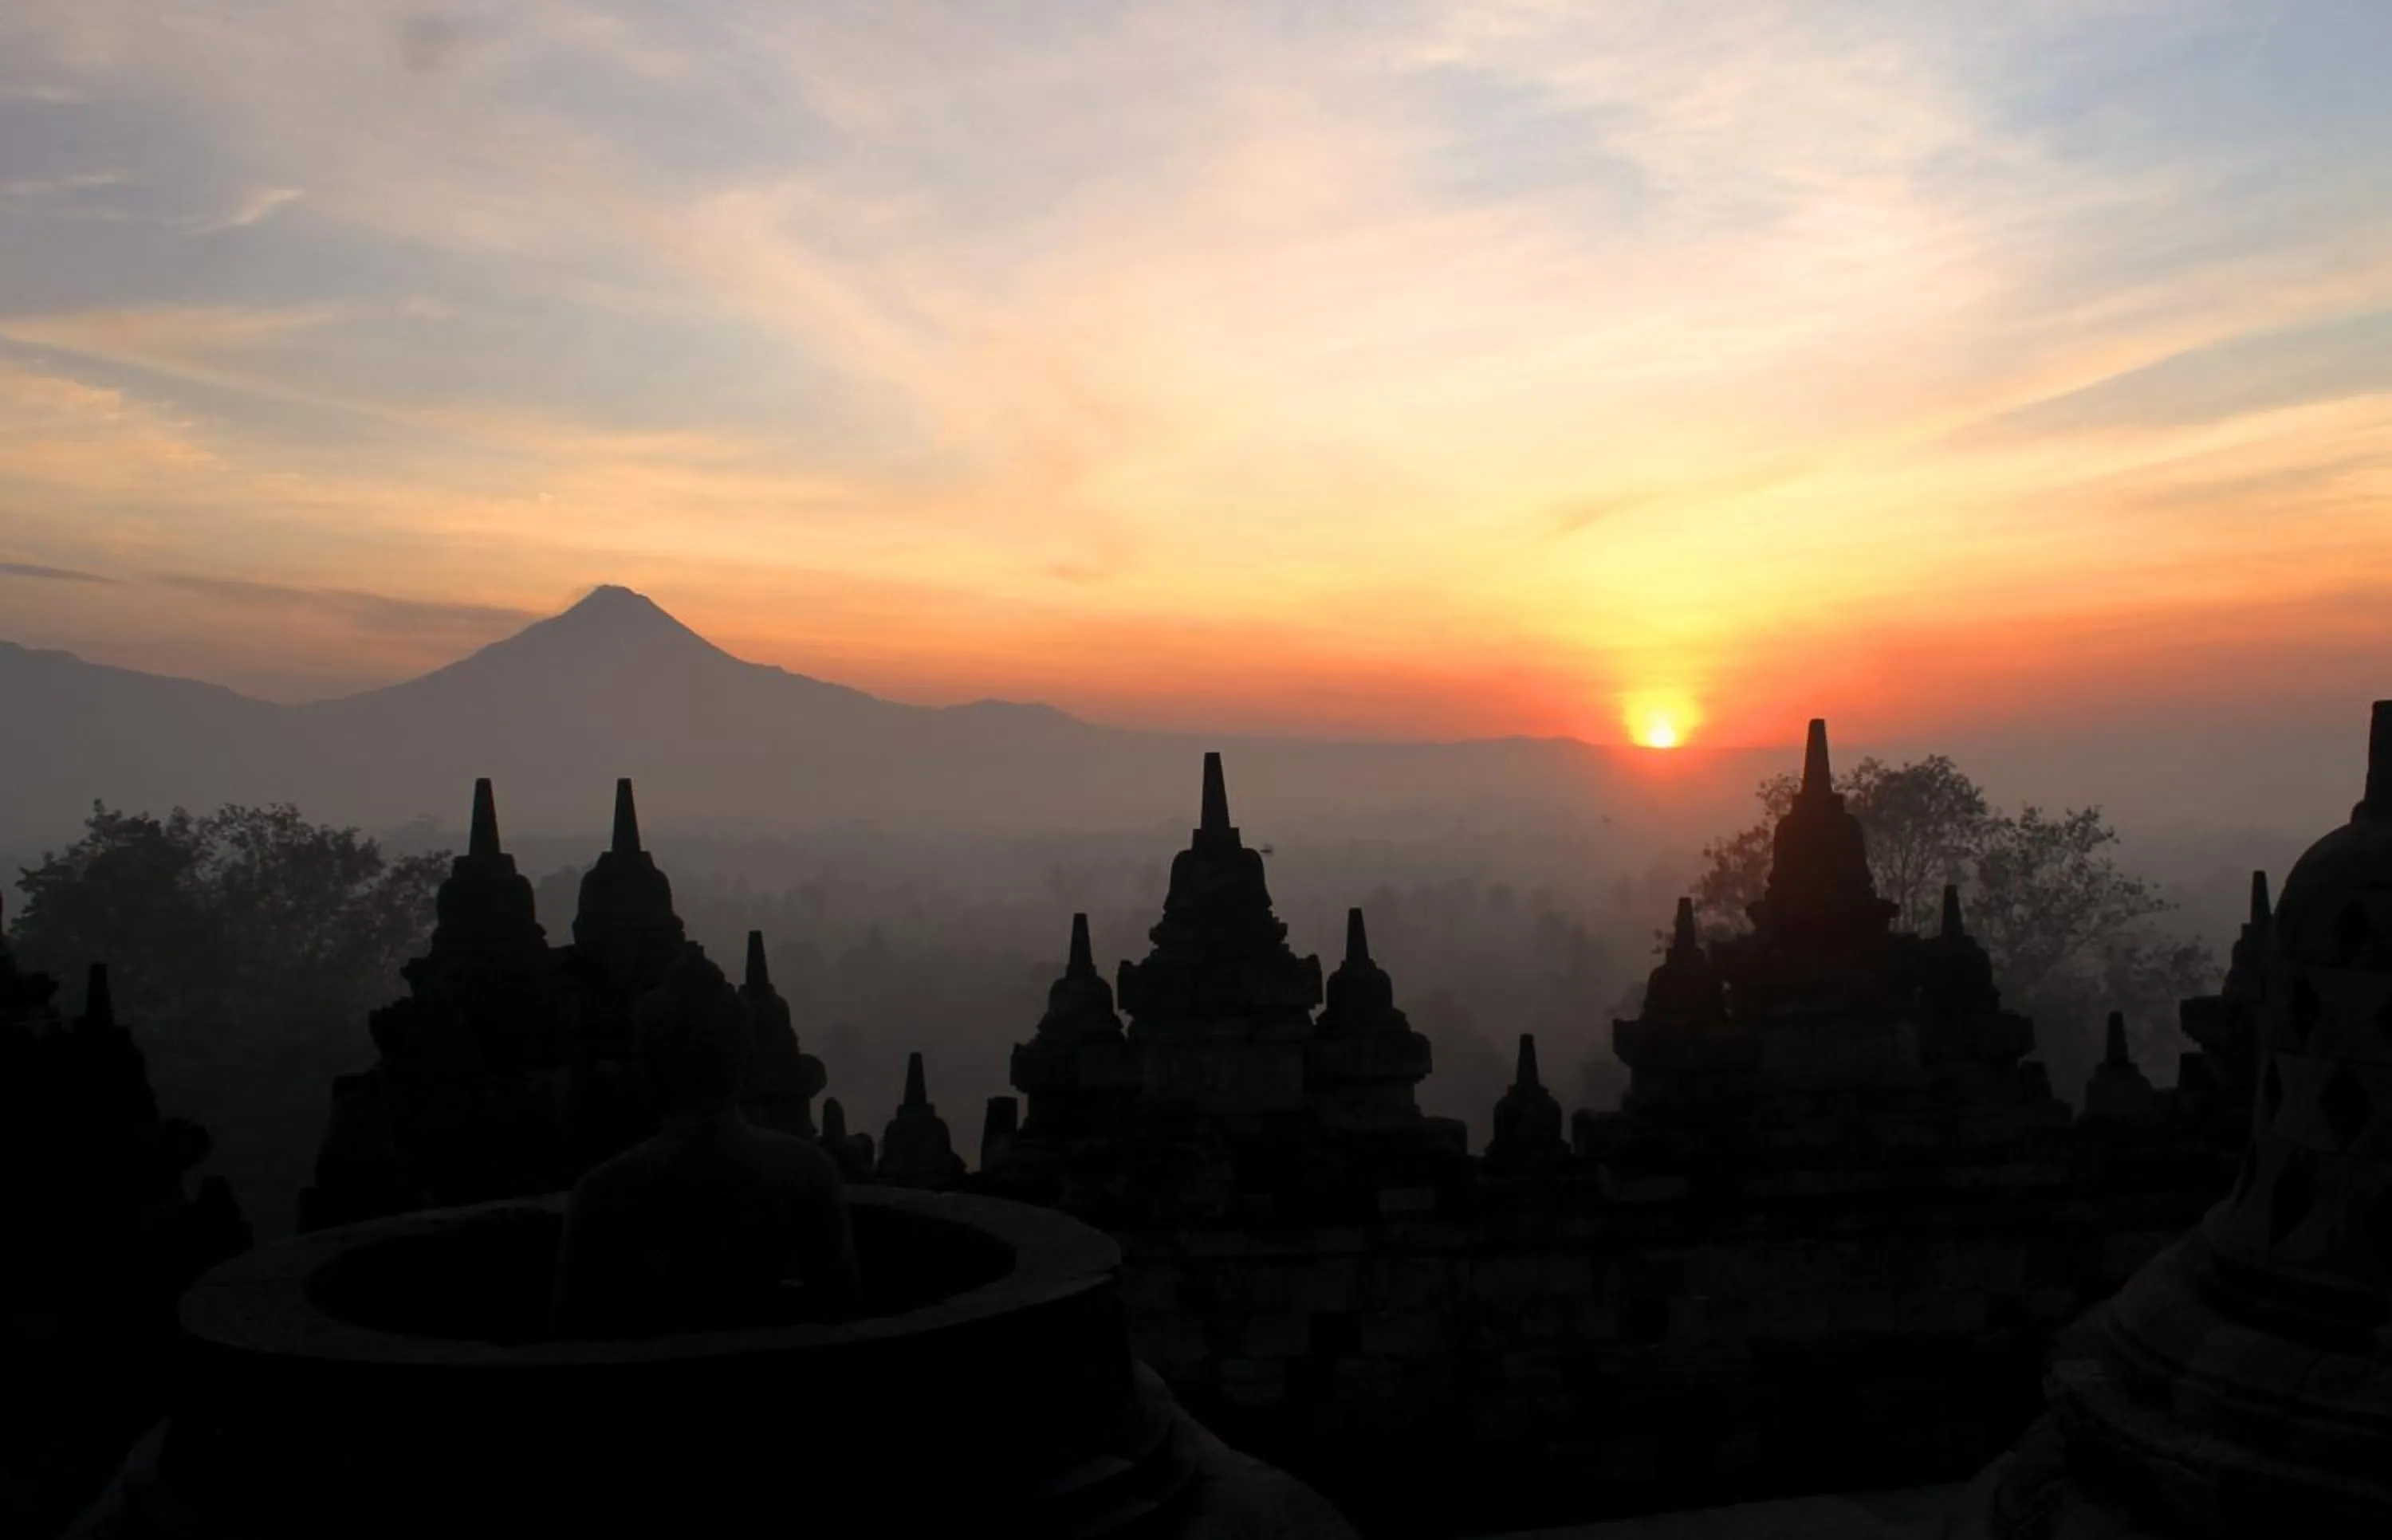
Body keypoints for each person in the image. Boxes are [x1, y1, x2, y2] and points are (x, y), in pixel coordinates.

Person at [550, 945, 860, 1337]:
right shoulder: (808, 1171)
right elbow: (845, 1319)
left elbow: (570, 1341)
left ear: (648, 1070)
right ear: (746, 1064)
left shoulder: (603, 1192)